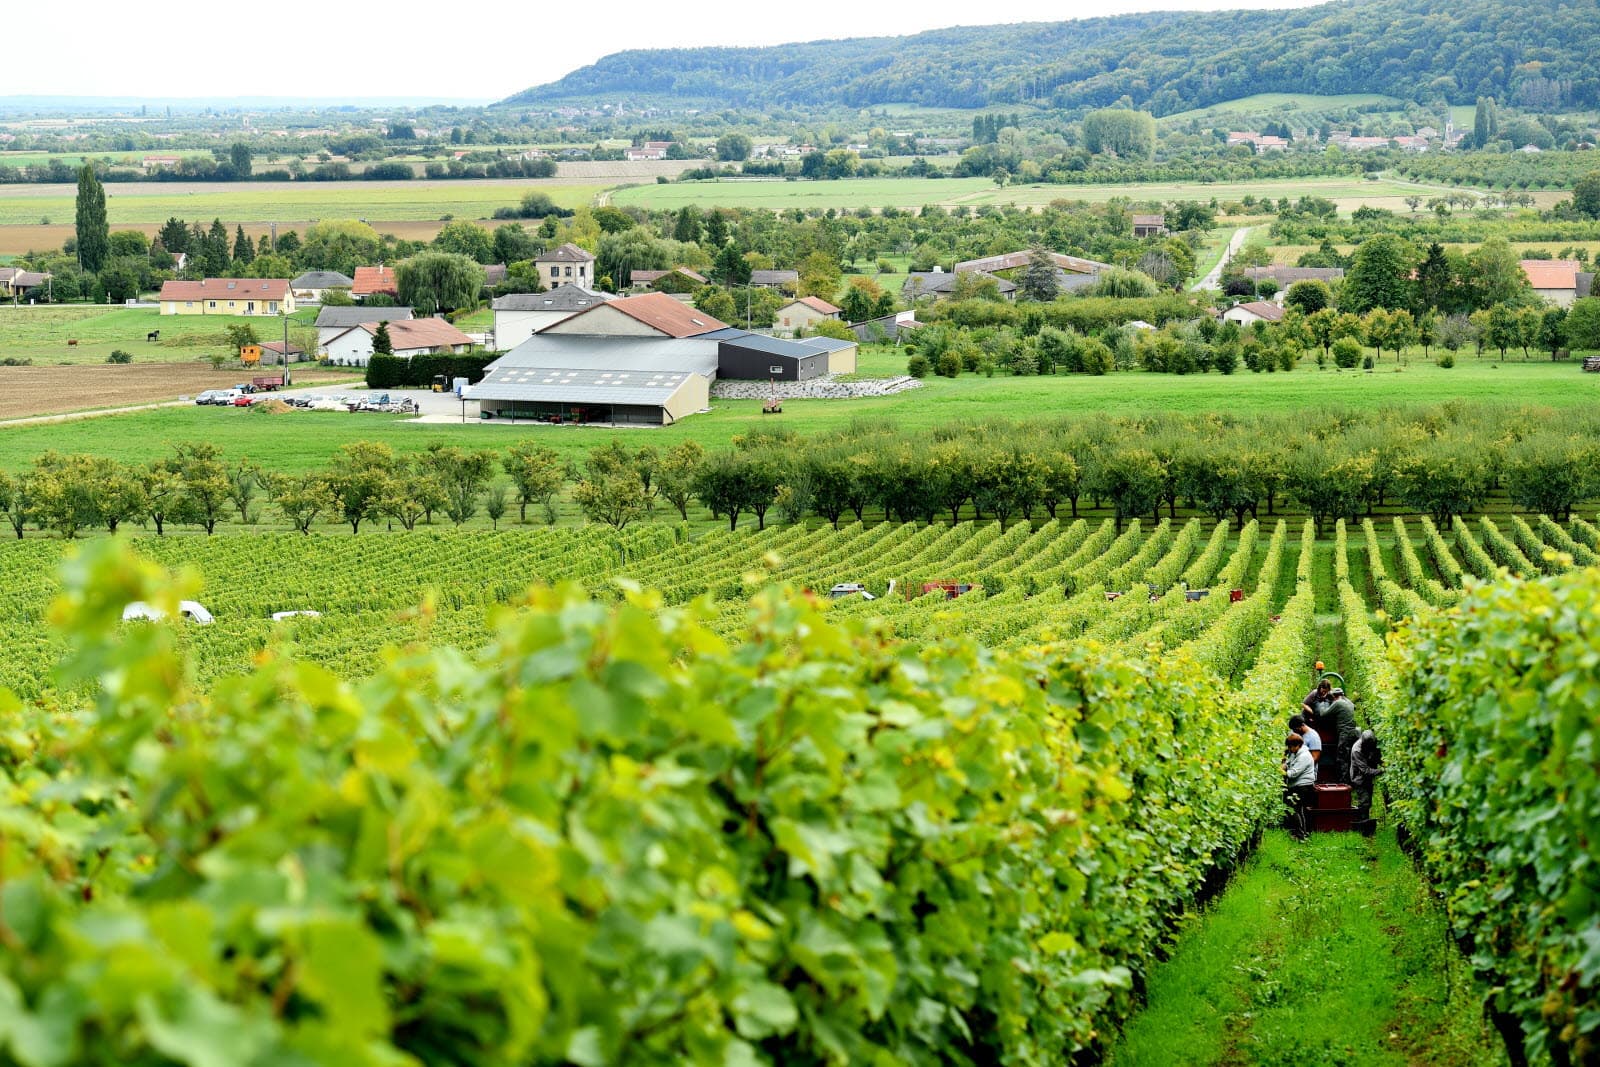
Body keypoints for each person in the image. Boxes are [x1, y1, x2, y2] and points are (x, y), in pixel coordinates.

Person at [1320, 688, 1359, 784]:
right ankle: (1352, 779)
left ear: (1334, 696)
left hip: (1345, 733)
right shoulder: (1348, 702)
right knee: (1350, 756)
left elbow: (1323, 714)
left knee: (1342, 758)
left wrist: (1322, 702)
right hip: (1353, 732)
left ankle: (1344, 782)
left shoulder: (1338, 703)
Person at [1283, 733, 1316, 839]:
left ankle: (1300, 835)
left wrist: (1280, 769)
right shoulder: (1296, 753)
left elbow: (1292, 773)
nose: (1289, 749)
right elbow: (1289, 764)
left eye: (1290, 746)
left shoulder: (1304, 756)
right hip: (1298, 786)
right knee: (1298, 810)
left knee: (1294, 810)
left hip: (1302, 787)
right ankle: (1302, 833)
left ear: (1298, 745)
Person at [1349, 729, 1383, 816]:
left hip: (1367, 777)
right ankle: (1361, 824)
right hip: (1359, 778)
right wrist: (1382, 770)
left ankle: (1364, 822)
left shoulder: (1372, 742)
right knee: (1364, 801)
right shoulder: (1357, 750)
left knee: (1368, 802)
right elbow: (1365, 771)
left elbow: (1377, 757)